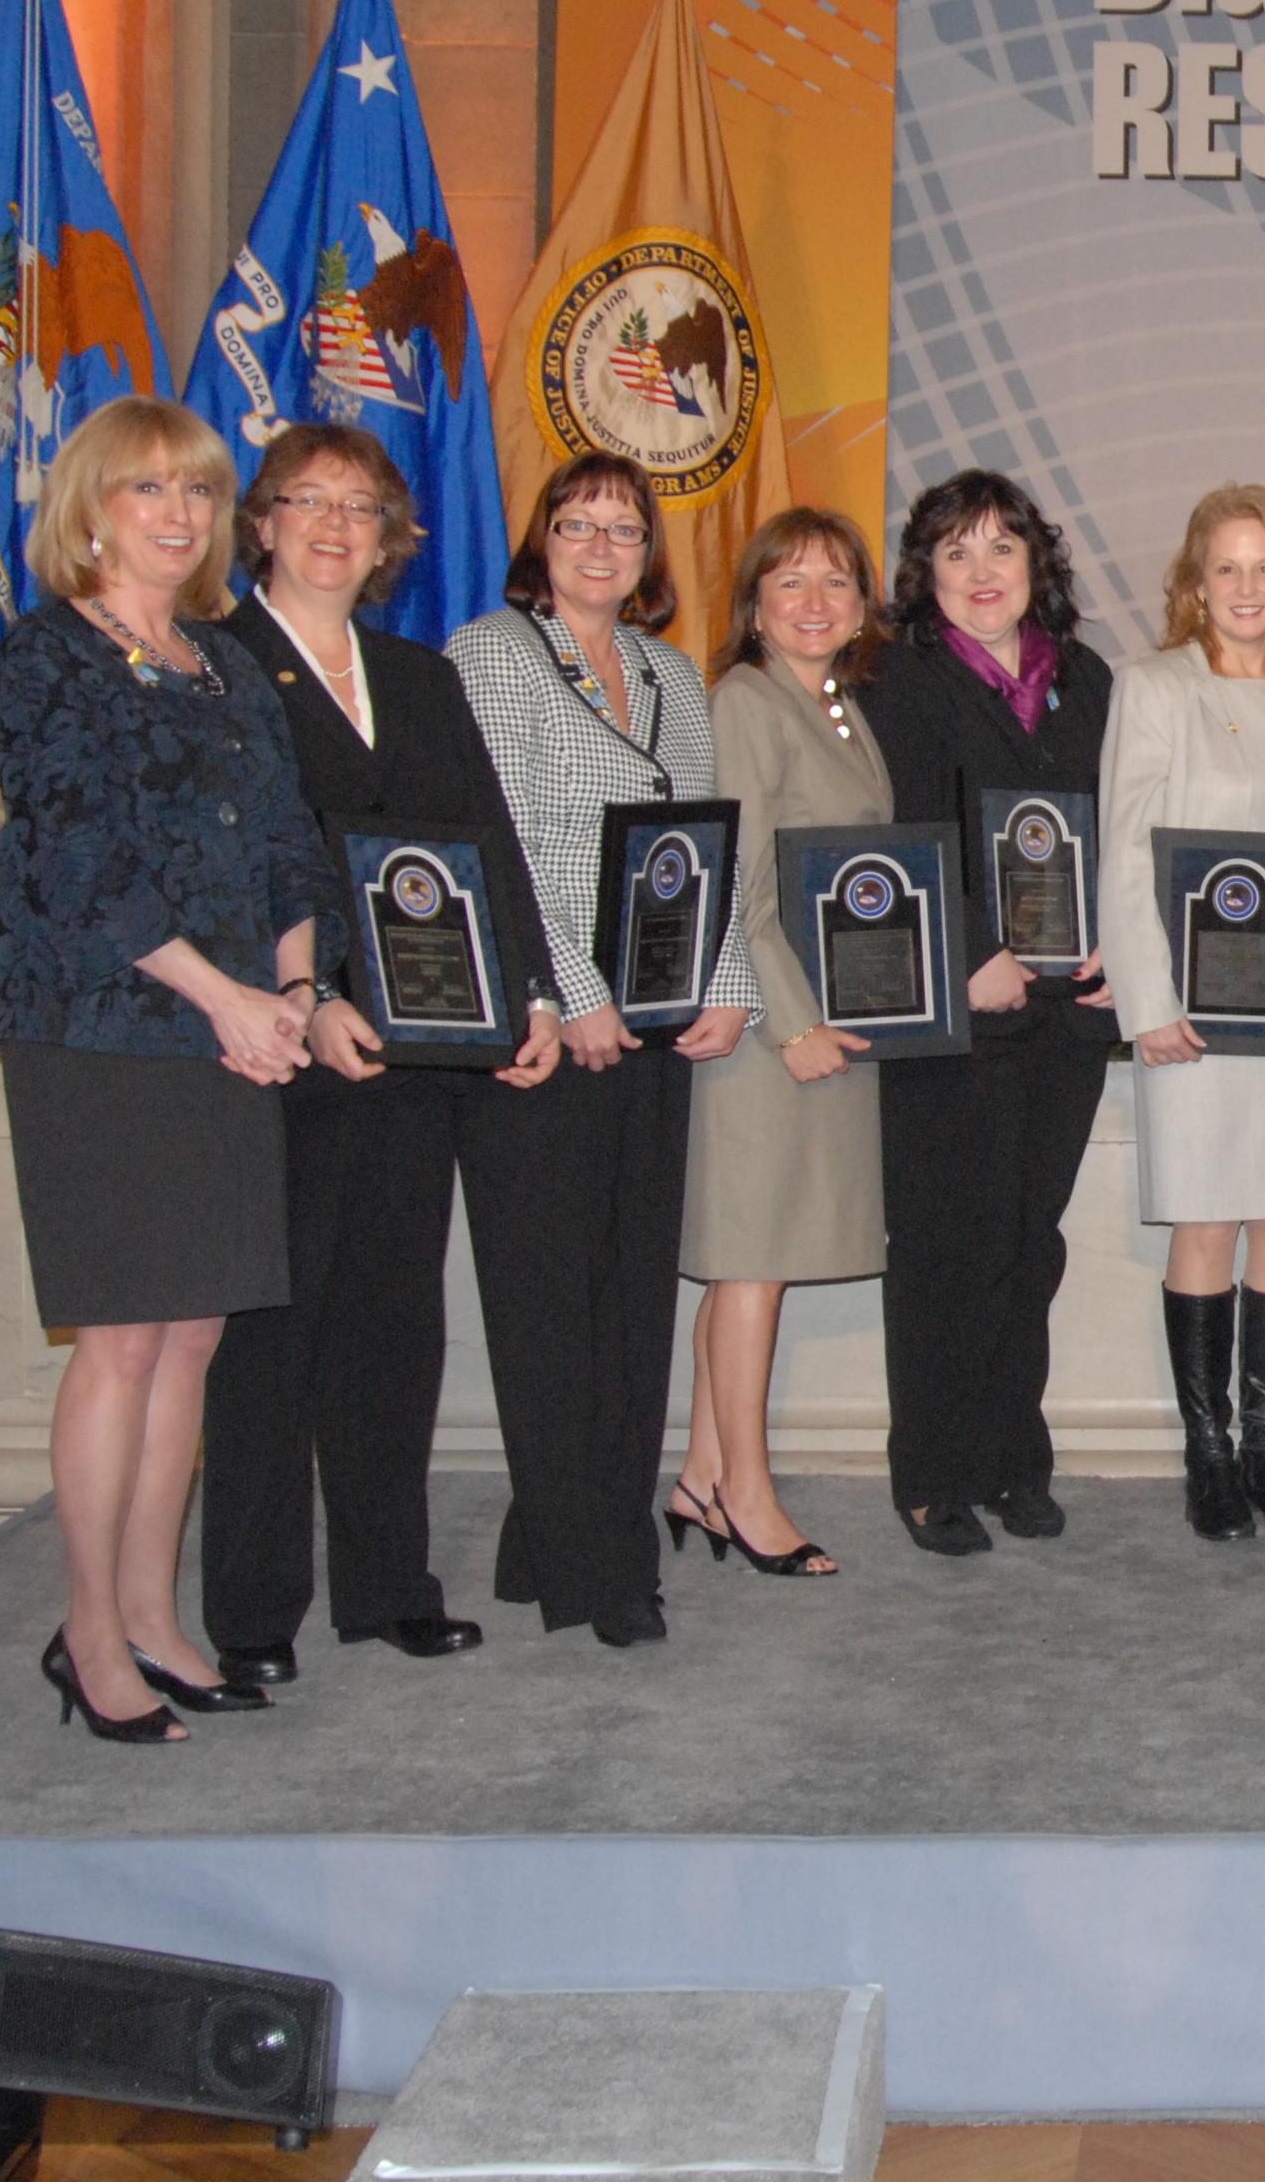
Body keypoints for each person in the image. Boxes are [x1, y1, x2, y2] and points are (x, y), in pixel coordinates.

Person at [0, 396, 342, 1741]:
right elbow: (80, 859)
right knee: (124, 1341)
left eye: (195, 493)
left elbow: (292, 850)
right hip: (102, 1027)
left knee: (192, 1335)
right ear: (88, 509)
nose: (178, 515)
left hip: (236, 1028)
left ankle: (150, 1613)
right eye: (147, 491)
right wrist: (223, 998)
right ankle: (87, 1633)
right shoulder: (47, 658)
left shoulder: (225, 665)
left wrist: (296, 993)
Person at [204, 423, 553, 1691]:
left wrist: (532, 994)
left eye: (361, 507)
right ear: (261, 522)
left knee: (393, 1326)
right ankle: (250, 1611)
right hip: (282, 1052)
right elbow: (227, 864)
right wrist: (311, 997)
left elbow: (481, 842)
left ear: (391, 536)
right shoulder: (220, 666)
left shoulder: (418, 676)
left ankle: (385, 1585)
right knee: (271, 1333)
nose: (335, 527)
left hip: (423, 1048)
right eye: (309, 502)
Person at [449, 455, 758, 1646]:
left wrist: (722, 988)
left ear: (648, 556)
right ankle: (599, 1573)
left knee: (631, 1295)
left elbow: (704, 845)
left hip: (660, 1027)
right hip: (547, 1028)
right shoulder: (492, 654)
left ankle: (561, 1536)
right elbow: (506, 838)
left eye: (623, 529)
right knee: (545, 1303)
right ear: (542, 539)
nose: (599, 545)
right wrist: (570, 994)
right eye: (576, 524)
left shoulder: (674, 673)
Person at [856, 471, 1117, 1555]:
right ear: (925, 574)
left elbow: (1128, 822)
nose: (980, 574)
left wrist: (1121, 945)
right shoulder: (895, 683)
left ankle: (1017, 1457)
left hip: (1065, 1015)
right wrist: (970, 955)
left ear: (1034, 566)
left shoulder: (1089, 680)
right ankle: (933, 1471)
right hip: (959, 1014)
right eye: (956, 554)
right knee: (942, 1247)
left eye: (1000, 551)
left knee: (1027, 1243)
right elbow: (892, 834)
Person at [1098, 484, 1265, 1540]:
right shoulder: (1152, 688)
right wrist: (1146, 1003)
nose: (1245, 587)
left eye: (1264, 568)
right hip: (1190, 1021)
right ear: (1195, 587)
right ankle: (1206, 1457)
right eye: (1225, 569)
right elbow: (1122, 849)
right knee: (1204, 1222)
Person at [670, 510, 895, 1580]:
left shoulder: (840, 706)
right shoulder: (745, 703)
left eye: (837, 583)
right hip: (770, 1033)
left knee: (750, 1270)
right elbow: (738, 884)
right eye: (791, 582)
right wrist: (793, 1020)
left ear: (863, 605)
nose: (815, 602)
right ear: (752, 599)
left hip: (824, 1027)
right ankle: (747, 1496)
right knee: (749, 1268)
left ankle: (701, 1477)